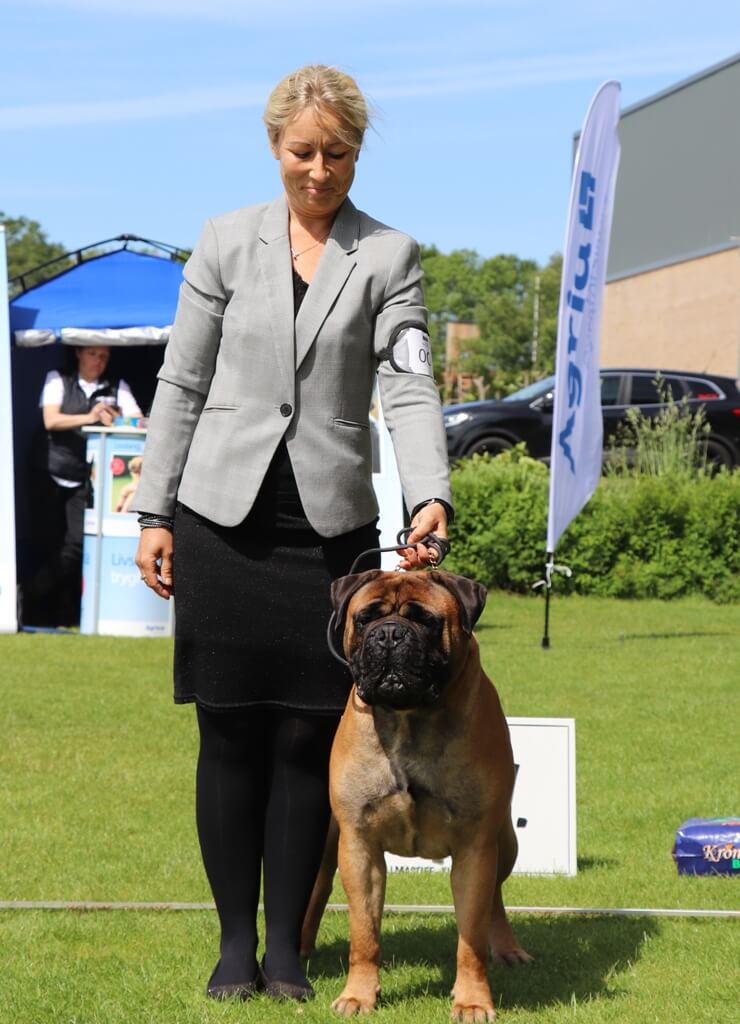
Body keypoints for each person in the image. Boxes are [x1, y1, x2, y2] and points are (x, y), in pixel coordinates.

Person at [133, 64, 453, 1002]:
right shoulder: (224, 242)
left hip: (330, 531)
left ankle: (287, 951)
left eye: (338, 153)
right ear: (275, 146)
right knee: (229, 735)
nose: (320, 171)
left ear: (358, 152)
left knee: (310, 741)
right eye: (304, 152)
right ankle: (236, 946)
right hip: (220, 522)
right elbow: (181, 383)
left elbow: (409, 385)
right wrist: (155, 510)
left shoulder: (388, 255)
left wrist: (428, 493)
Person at [31, 345, 141, 626]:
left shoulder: (117, 387)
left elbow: (138, 422)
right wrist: (90, 417)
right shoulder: (58, 378)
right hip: (49, 472)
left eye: (104, 356)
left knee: (77, 544)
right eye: (93, 354)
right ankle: (40, 609)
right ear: (79, 353)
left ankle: (36, 594)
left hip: (86, 476)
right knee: (48, 543)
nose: (99, 361)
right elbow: (51, 420)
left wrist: (116, 419)